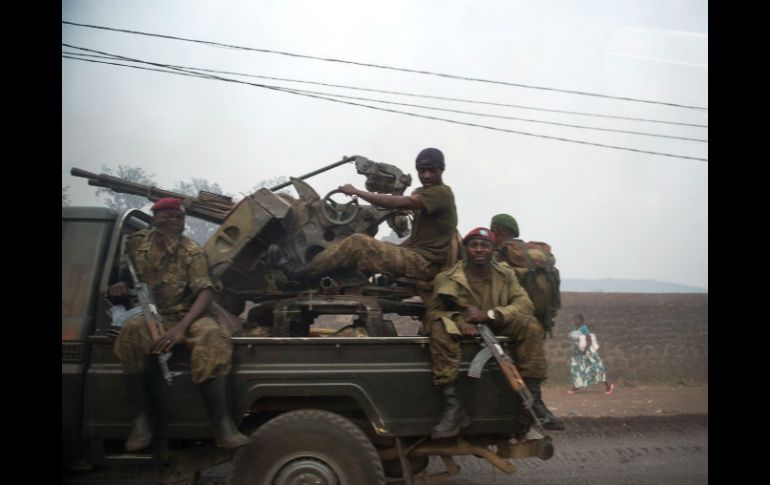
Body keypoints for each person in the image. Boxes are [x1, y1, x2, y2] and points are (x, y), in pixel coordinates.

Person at [110, 197, 249, 451]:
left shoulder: (192, 251)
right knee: (130, 334)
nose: (175, 223)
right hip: (152, 314)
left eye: (179, 218)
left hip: (189, 314)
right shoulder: (136, 244)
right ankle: (142, 421)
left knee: (212, 338)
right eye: (169, 217)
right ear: (155, 218)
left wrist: (181, 329)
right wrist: (118, 285)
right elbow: (123, 278)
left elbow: (204, 293)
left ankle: (222, 425)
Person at [423, 227, 547, 439]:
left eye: (484, 245)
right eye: (473, 245)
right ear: (466, 249)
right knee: (438, 327)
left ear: (492, 249)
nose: (479, 250)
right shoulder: (448, 277)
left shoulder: (505, 274)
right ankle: (453, 406)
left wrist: (491, 315)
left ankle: (532, 401)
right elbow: (433, 312)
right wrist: (459, 320)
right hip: (461, 328)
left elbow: (524, 304)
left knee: (530, 325)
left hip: (497, 322)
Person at [271, 147, 458, 284]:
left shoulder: (440, 193)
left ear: (441, 170)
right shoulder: (426, 193)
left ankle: (301, 272)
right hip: (419, 257)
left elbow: (398, 202)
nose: (426, 175)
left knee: (358, 243)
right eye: (421, 171)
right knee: (373, 248)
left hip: (425, 264)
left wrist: (357, 193)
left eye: (431, 170)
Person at [490, 213, 565, 430]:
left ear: (496, 230)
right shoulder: (532, 256)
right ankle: (534, 404)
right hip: (538, 321)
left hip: (507, 317)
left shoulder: (500, 255)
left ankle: (528, 407)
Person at [567, 313, 615, 395]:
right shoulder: (576, 328)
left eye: (577, 319)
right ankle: (576, 387)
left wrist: (585, 351)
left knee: (596, 369)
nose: (575, 321)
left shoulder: (584, 328)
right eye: (574, 319)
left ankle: (609, 386)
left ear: (582, 321)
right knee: (577, 369)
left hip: (587, 353)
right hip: (578, 353)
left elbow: (589, 340)